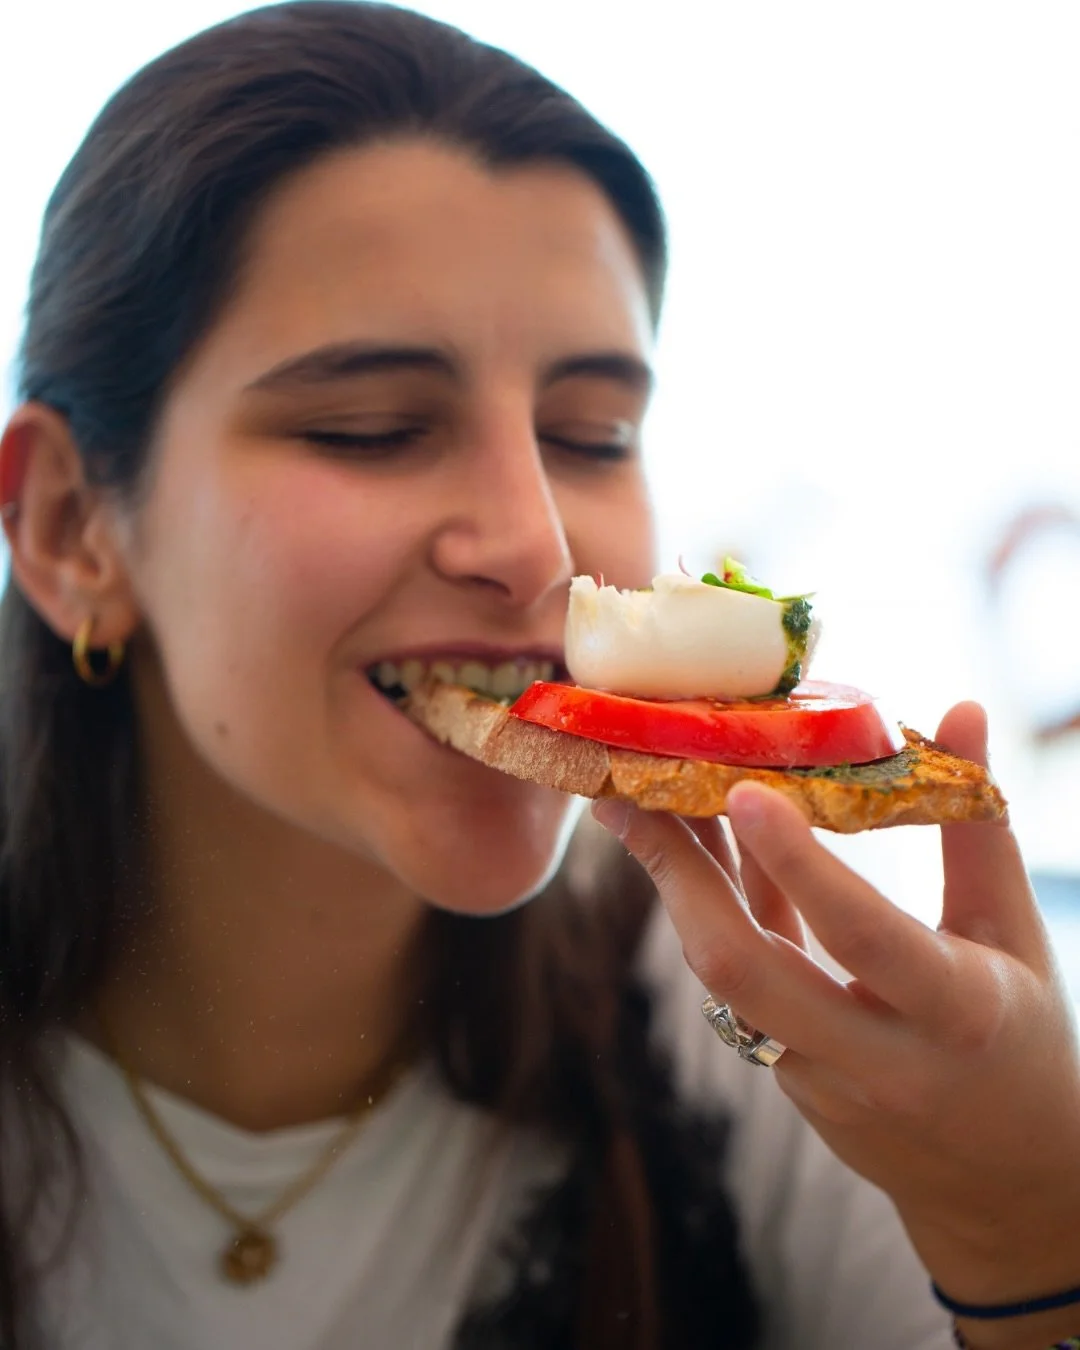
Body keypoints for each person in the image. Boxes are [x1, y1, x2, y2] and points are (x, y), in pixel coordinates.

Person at [0, 4, 1077, 1348]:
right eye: (374, 427)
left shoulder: (752, 1039)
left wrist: (1025, 1223)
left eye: (593, 430)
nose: (538, 546)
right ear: (68, 526)